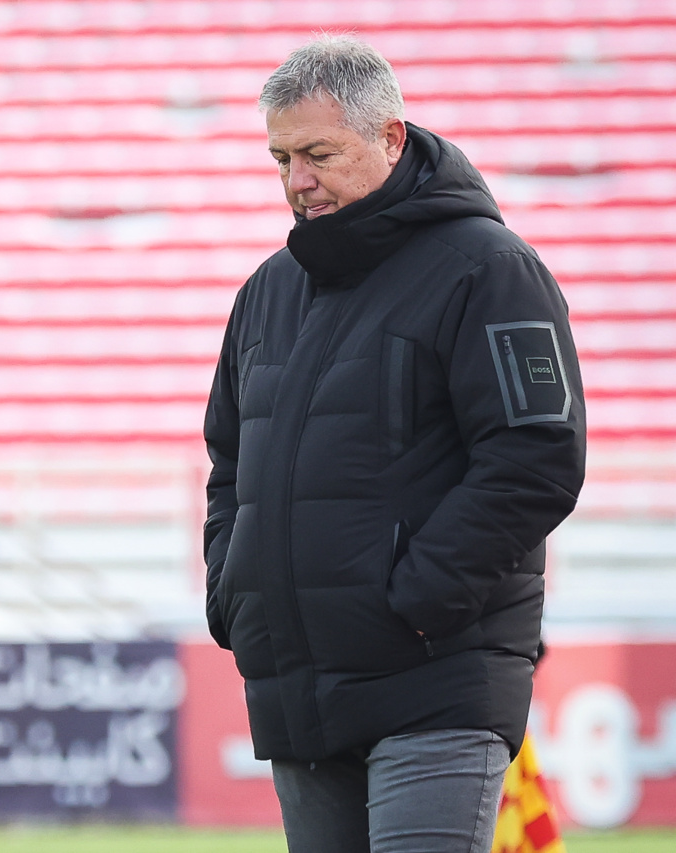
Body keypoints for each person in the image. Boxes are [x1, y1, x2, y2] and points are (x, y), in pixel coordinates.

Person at [202, 35, 586, 853]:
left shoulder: (489, 269)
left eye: (318, 155)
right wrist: (235, 594)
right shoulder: (267, 292)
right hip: (300, 693)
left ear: (390, 138)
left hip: (434, 682)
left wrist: (413, 601)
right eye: (280, 159)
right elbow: (230, 466)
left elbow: (537, 457)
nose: (297, 181)